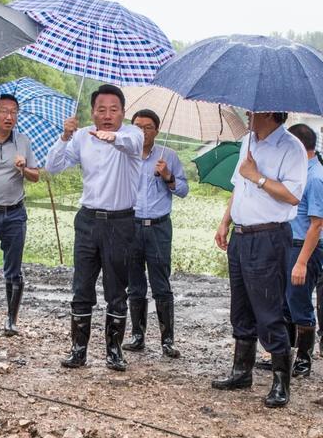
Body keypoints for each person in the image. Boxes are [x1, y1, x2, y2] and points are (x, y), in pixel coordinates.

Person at [212, 111, 308, 408]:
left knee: (268, 309)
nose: (247, 114)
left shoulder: (291, 148)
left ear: (269, 111)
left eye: (252, 111)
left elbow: (292, 195)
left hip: (269, 237)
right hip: (241, 235)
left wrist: (259, 177)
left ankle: (281, 380)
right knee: (240, 306)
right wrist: (225, 220)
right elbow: (238, 186)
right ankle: (242, 371)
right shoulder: (248, 141)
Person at [45, 84, 143, 371]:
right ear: (92, 111)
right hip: (88, 220)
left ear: (123, 112)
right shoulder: (82, 136)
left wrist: (111, 137)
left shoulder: (132, 134)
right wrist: (65, 137)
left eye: (114, 110)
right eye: (101, 110)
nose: (107, 115)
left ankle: (114, 351)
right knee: (82, 286)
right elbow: (53, 166)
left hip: (121, 221)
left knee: (116, 289)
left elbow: (129, 144)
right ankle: (78, 350)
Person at [123, 109, 189, 358]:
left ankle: (167, 340)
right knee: (134, 284)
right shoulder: (125, 155)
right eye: (137, 126)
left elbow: (183, 189)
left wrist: (168, 176)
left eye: (148, 127)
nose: (142, 131)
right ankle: (137, 336)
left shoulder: (167, 156)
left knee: (161, 283)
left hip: (158, 227)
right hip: (131, 225)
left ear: (156, 130)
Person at [0, 94, 39, 336]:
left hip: (14, 213)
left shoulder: (23, 141)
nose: (9, 116)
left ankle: (11, 319)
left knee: (13, 269)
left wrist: (24, 168)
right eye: (3, 111)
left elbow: (36, 176)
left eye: (14, 112)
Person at [282, 124, 323, 378]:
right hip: (288, 243)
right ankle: (285, 355)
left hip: (305, 247)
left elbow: (317, 223)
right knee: (286, 301)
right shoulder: (299, 172)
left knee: (299, 302)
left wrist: (302, 262)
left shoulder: (316, 176)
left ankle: (304, 360)